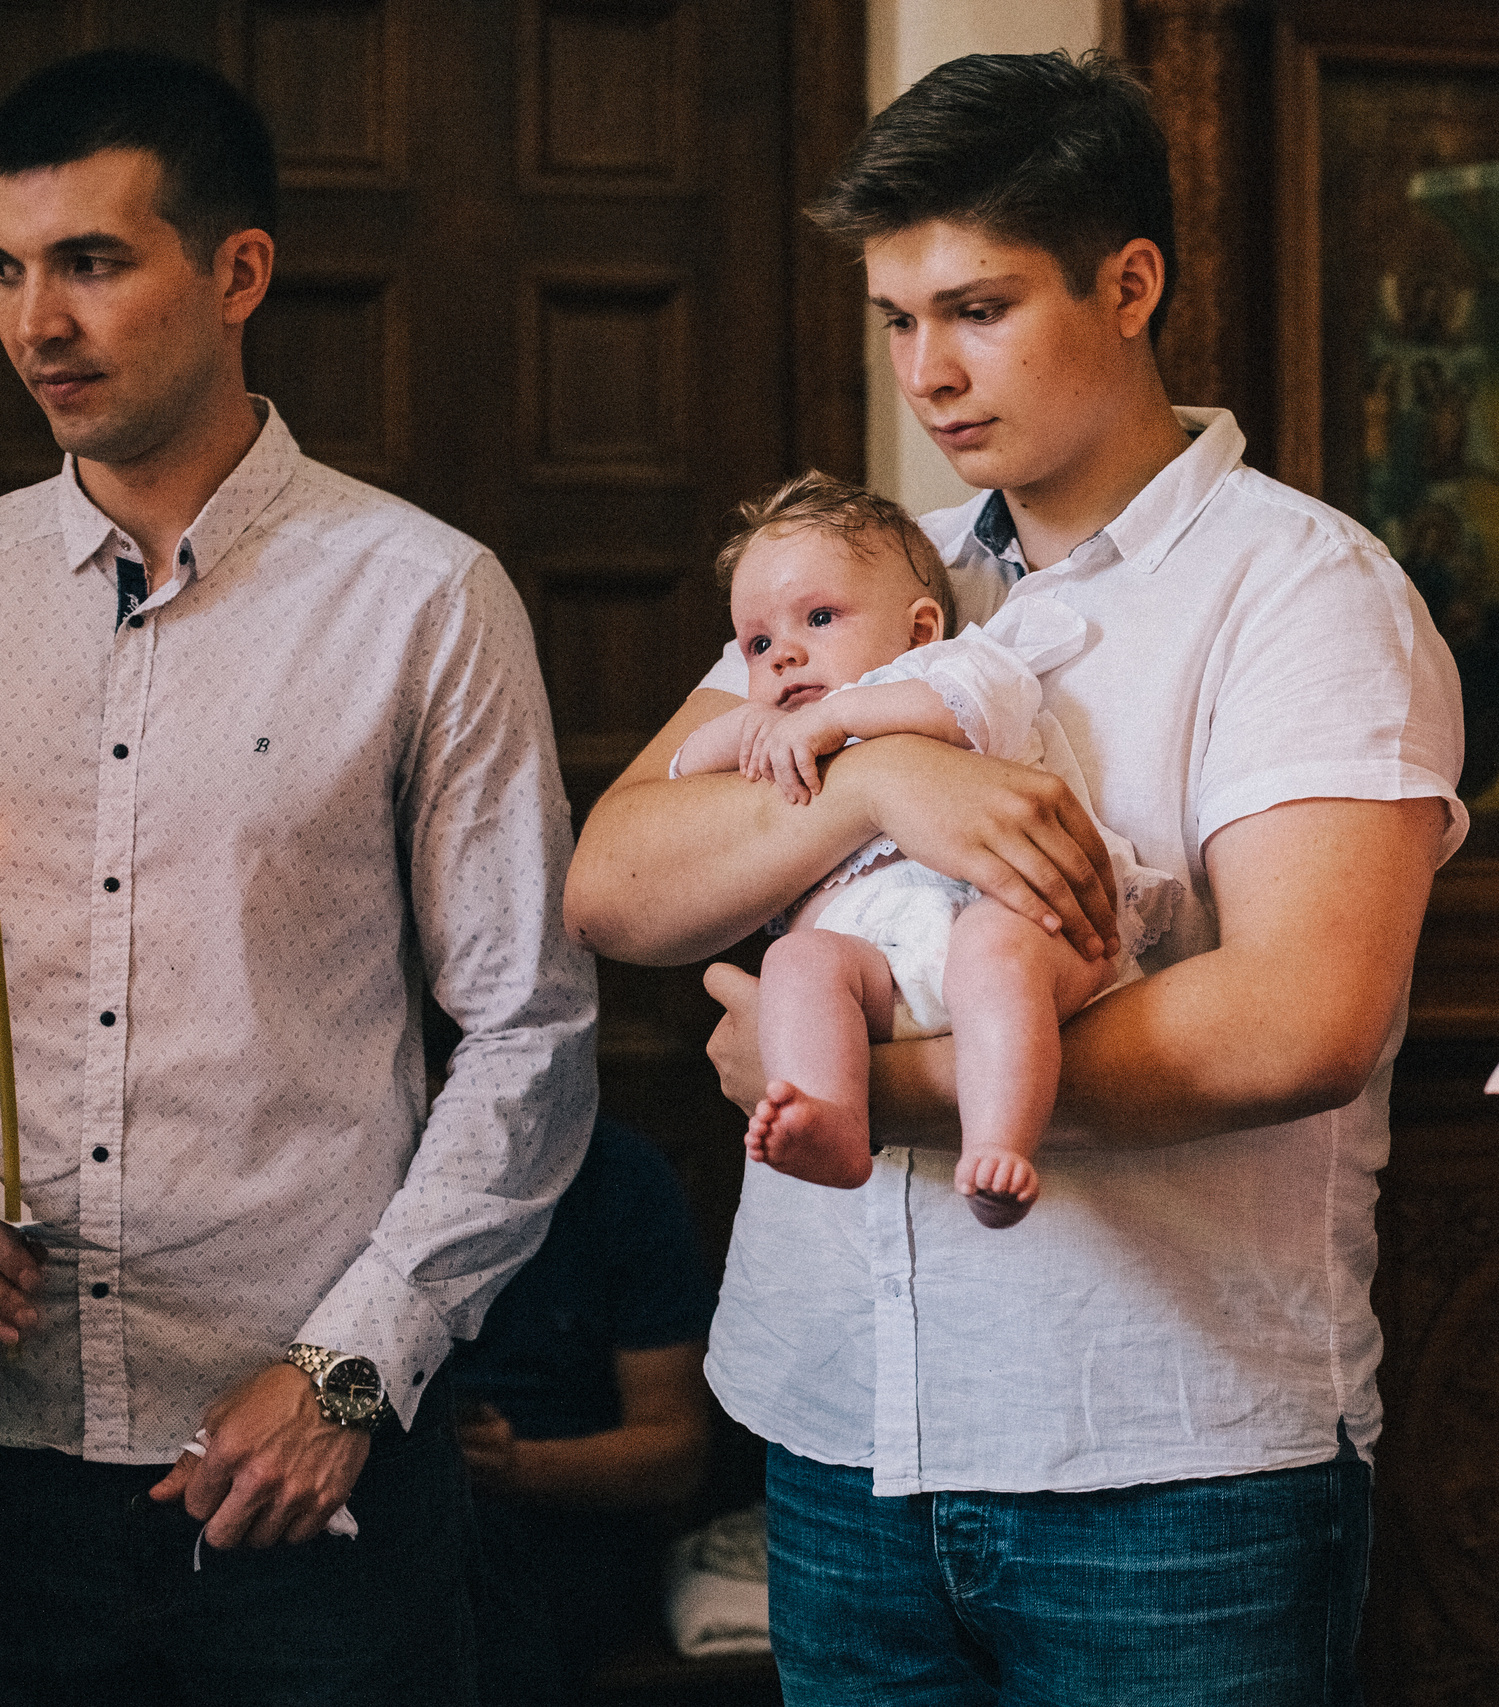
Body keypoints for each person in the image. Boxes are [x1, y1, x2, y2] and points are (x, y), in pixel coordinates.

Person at [563, 49, 1465, 1705]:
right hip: (840, 1438)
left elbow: (1300, 1019)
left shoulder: (1303, 591)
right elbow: (620, 876)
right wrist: (883, 779)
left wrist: (855, 1085)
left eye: (976, 308)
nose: (926, 371)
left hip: (1164, 1467)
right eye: (898, 318)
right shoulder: (874, 581)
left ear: (1130, 284)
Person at [0, 48, 596, 1700]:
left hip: (312, 1489)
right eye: (7, 268)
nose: (36, 322)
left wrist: (348, 1375)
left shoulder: (421, 597)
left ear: (238, 270)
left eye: (92, 263)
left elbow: (533, 1036)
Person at [674, 471, 1174, 1225]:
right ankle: (835, 1120)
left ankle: (1000, 1145)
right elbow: (684, 779)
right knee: (796, 963)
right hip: (881, 970)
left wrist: (840, 718)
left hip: (1018, 922)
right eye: (759, 642)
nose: (783, 656)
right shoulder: (780, 723)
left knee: (990, 958)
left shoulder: (955, 667)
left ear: (918, 628)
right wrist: (739, 734)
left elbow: (964, 707)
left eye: (818, 617)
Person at [448, 1116, 720, 1705]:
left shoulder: (617, 1177)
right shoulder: (360, 1178)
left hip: (558, 1535)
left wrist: (512, 1467)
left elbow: (675, 1450)